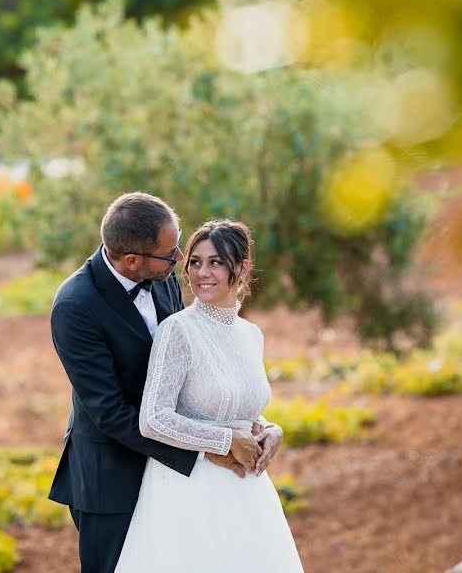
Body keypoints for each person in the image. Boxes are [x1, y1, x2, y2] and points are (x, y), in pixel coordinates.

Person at [48, 193, 285, 573]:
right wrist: (207, 447)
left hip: (187, 469)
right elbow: (108, 410)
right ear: (131, 260)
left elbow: (194, 367)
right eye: (171, 254)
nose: (180, 262)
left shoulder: (158, 274)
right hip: (113, 473)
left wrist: (259, 426)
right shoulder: (75, 305)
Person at [115, 218, 303, 572]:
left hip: (247, 492)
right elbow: (153, 418)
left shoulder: (252, 335)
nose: (202, 272)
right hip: (190, 491)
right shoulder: (177, 331)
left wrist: (271, 429)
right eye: (195, 262)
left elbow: (238, 404)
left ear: (243, 268)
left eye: (216, 262)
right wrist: (225, 440)